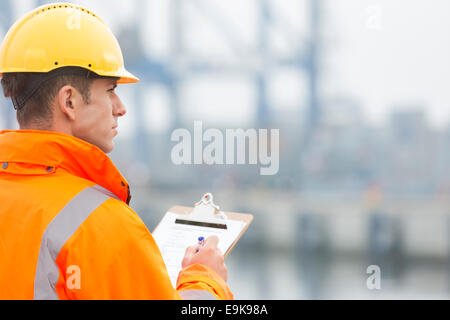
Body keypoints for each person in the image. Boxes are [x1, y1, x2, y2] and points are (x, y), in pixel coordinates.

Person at [0, 3, 232, 300]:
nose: (120, 108)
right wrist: (206, 280)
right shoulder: (100, 224)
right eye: (110, 90)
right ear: (69, 101)